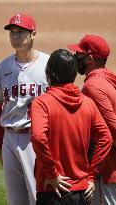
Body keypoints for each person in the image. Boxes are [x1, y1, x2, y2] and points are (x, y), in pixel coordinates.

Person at [30, 49, 113, 205]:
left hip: (52, 189)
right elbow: (106, 138)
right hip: (82, 192)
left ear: (49, 71)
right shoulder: (87, 103)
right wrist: (91, 176)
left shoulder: (41, 103)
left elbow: (38, 137)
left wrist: (52, 173)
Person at [0, 13, 50, 205]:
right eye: (12, 32)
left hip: (36, 138)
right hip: (9, 138)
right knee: (15, 200)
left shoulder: (48, 65)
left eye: (21, 32)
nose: (15, 36)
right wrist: (0, 144)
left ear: (33, 34)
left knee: (37, 196)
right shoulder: (0, 68)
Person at [68, 35, 116, 205]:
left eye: (79, 54)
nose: (75, 58)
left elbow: (112, 130)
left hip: (107, 170)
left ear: (89, 58)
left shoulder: (92, 87)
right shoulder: (108, 78)